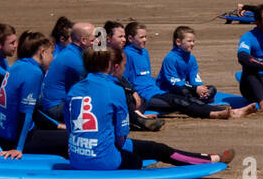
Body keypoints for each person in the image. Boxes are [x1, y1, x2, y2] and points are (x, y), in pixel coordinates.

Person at [66, 47, 233, 171]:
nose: (125, 70)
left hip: (76, 158)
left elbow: (70, 126)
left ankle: (209, 158)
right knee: (146, 155)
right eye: (124, 66)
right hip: (104, 161)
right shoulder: (116, 91)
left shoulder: (74, 89)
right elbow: (121, 138)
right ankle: (211, 159)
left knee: (149, 148)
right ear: (115, 67)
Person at [133, 24, 253, 119]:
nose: (193, 44)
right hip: (170, 89)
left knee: (211, 90)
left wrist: (200, 89)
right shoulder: (171, 58)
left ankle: (202, 103)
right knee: (184, 93)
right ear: (178, 42)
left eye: (193, 41)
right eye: (189, 41)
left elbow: (194, 78)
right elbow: (173, 82)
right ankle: (219, 110)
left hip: (184, 88)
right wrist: (194, 89)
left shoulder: (191, 58)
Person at [0, 32, 56, 158]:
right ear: (42, 52)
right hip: (16, 138)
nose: (53, 58)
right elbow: (26, 113)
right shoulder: (34, 72)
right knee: (69, 140)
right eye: (51, 53)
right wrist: (17, 148)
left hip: (3, 131)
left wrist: (56, 125)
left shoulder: (18, 65)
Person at [36, 20, 94, 126]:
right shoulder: (73, 59)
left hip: (56, 103)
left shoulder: (73, 51)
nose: (97, 42)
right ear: (83, 40)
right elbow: (98, 77)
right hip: (55, 107)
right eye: (93, 39)